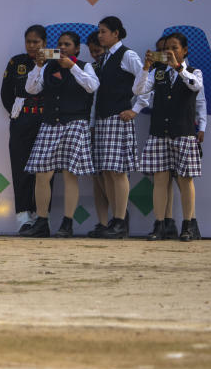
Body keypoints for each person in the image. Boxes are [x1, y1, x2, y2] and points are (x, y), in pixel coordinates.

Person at [19, 32, 99, 237]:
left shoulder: (84, 65)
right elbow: (31, 89)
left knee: (70, 175)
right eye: (60, 44)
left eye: (67, 44)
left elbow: (92, 86)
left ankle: (67, 223)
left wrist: (72, 66)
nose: (62, 48)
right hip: (50, 123)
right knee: (41, 173)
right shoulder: (48, 66)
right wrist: (38, 65)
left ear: (76, 49)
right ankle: (42, 221)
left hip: (75, 122)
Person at [134, 32, 203, 241]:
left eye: (174, 48)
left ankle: (188, 224)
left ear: (185, 50)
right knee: (160, 179)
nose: (169, 52)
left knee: (185, 180)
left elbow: (195, 86)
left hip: (183, 132)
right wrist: (146, 67)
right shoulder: (158, 72)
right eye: (166, 49)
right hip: (159, 133)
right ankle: (160, 223)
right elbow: (138, 90)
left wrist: (178, 68)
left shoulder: (193, 71)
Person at [92, 16, 144, 239]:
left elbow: (146, 83)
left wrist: (136, 109)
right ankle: (115, 219)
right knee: (108, 173)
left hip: (119, 118)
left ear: (116, 33)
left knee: (119, 171)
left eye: (103, 31)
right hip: (104, 119)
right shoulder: (105, 58)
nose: (99, 35)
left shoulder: (128, 55)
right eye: (99, 31)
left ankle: (121, 222)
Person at [1, 25, 47, 232]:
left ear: (44, 43)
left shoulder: (53, 62)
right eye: (28, 41)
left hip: (46, 122)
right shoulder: (16, 62)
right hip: (22, 121)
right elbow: (5, 93)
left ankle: (40, 216)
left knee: (44, 172)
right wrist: (16, 113)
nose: (31, 45)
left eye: (36, 42)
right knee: (21, 169)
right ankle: (23, 217)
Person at [84, 31, 111, 238]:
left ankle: (119, 217)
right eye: (92, 51)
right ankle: (102, 222)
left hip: (110, 123)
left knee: (112, 175)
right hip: (92, 124)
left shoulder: (115, 65)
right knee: (96, 176)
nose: (95, 55)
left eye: (99, 50)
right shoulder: (89, 68)